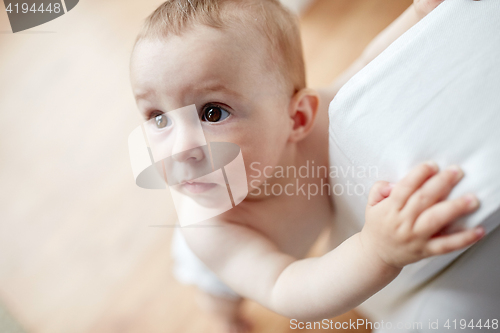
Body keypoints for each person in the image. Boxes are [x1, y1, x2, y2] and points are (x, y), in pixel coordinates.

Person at [129, 0, 484, 332]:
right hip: (221, 268)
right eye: (158, 117)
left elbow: (367, 66)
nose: (178, 150)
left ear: (296, 118)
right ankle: (222, 318)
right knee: (219, 295)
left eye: (212, 112)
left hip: (300, 239)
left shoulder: (324, 121)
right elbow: (285, 286)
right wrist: (376, 250)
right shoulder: (210, 230)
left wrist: (420, 13)